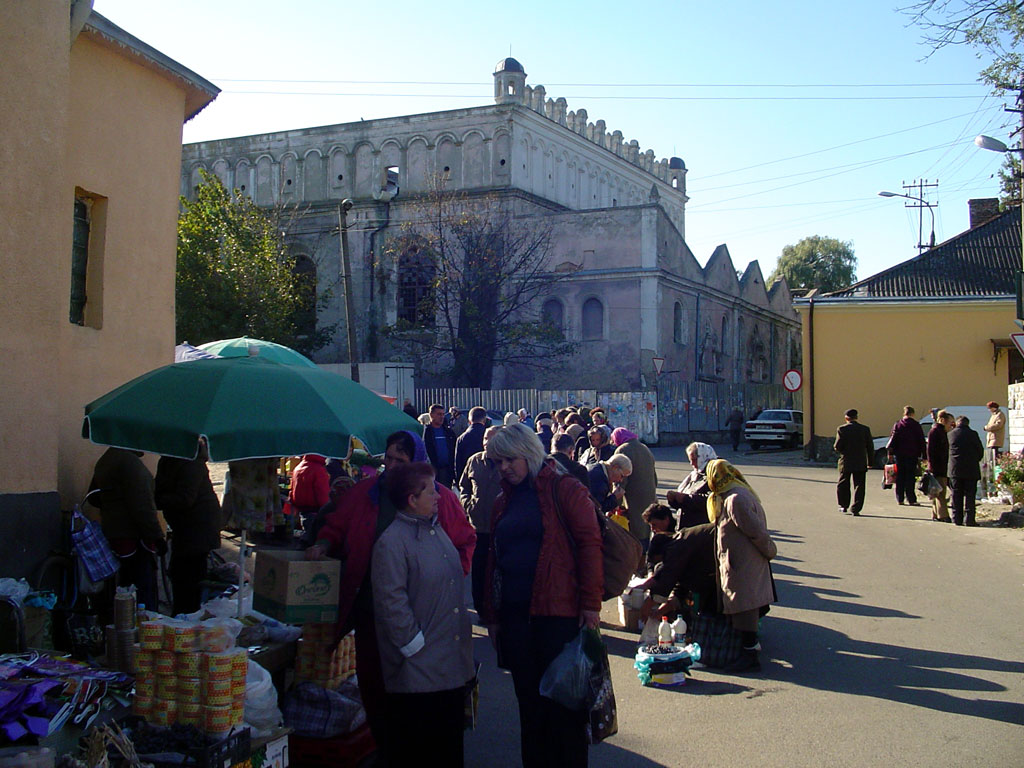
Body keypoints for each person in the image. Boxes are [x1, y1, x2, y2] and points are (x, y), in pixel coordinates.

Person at [307, 430, 475, 754]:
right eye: (390, 458)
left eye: (402, 459)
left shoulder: (438, 498)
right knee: (376, 685)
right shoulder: (368, 492)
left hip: (424, 616)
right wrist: (324, 542)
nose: (393, 465)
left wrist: (446, 581)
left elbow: (465, 542)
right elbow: (338, 525)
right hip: (371, 610)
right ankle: (387, 748)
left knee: (420, 694)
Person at [480, 424, 602, 768]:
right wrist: (491, 614)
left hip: (559, 618)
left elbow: (590, 545)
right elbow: (494, 558)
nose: (503, 468)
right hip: (517, 621)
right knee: (530, 711)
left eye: (509, 460)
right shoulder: (503, 499)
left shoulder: (565, 489)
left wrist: (591, 606)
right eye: (497, 461)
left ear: (529, 453)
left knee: (564, 714)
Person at [372, 462, 473, 768]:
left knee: (449, 745)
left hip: (450, 662)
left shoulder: (435, 529)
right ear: (411, 499)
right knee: (423, 749)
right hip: (419, 669)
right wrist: (413, 645)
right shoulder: (392, 542)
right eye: (431, 490)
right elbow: (390, 600)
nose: (439, 496)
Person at [705, 459, 777, 673]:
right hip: (740, 560)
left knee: (745, 606)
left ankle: (749, 656)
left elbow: (754, 530)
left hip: (744, 562)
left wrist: (770, 549)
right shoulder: (730, 494)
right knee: (743, 605)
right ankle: (747, 650)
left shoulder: (734, 499)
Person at [89, 447, 165, 611]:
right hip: (133, 535)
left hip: (115, 532)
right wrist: (157, 536)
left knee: (124, 586)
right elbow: (142, 507)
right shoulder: (130, 464)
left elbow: (94, 496)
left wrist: (111, 509)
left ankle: (125, 624)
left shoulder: (106, 459)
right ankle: (142, 627)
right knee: (141, 588)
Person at [154, 439, 222, 616]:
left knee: (188, 576)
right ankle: (184, 614)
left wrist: (155, 500)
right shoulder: (171, 461)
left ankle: (186, 617)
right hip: (188, 528)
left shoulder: (191, 463)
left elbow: (185, 498)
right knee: (182, 573)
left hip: (197, 529)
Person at [459, 426, 502, 611]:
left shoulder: (507, 462)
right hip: (477, 526)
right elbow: (464, 486)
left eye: (491, 439)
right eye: (485, 438)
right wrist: (468, 504)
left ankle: (496, 607)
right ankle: (480, 607)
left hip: (500, 528)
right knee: (478, 570)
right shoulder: (475, 461)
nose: (486, 442)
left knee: (496, 570)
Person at [611, 427, 658, 546]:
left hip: (633, 498)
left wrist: (616, 503)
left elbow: (620, 480)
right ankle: (644, 557)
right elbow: (654, 477)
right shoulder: (645, 448)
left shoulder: (623, 450)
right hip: (649, 496)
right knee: (646, 528)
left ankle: (637, 560)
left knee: (633, 533)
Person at [666, 442, 718, 528]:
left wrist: (685, 498)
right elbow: (683, 504)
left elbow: (712, 501)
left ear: (702, 457)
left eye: (694, 460)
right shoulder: (694, 475)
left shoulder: (714, 475)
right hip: (687, 526)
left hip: (701, 529)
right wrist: (673, 500)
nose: (691, 463)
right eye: (690, 460)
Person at [833, 409, 873, 517]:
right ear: (857, 417)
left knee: (843, 484)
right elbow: (870, 447)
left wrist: (843, 451)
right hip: (860, 461)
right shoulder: (865, 429)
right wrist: (870, 461)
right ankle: (856, 508)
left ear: (846, 418)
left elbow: (837, 446)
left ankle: (843, 505)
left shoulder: (842, 429)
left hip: (846, 461)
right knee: (860, 485)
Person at [886, 405, 927, 506]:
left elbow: (893, 439)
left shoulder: (898, 424)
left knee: (900, 476)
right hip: (912, 454)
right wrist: (924, 455)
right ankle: (911, 499)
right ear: (912, 414)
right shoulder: (916, 425)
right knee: (910, 476)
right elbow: (921, 441)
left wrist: (890, 453)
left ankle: (900, 498)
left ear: (904, 413)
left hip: (899, 455)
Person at [949, 415, 984, 527]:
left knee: (956, 494)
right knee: (970, 495)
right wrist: (974, 460)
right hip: (971, 469)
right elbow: (980, 451)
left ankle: (956, 518)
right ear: (967, 423)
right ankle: (969, 519)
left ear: (957, 423)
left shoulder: (950, 434)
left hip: (955, 469)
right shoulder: (973, 434)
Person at [289, 454, 330, 532]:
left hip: (302, 511)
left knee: (306, 536)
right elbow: (323, 494)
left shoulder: (298, 467)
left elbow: (292, 490)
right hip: (316, 512)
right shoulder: (319, 470)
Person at [926, 410, 954, 523]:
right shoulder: (936, 432)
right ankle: (943, 515)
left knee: (936, 492)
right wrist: (932, 466)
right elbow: (931, 452)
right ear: (943, 421)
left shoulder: (939, 431)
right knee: (940, 493)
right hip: (939, 467)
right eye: (949, 423)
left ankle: (935, 514)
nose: (951, 426)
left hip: (939, 466)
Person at [423, 403, 458, 487]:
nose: (442, 417)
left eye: (443, 414)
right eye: (438, 414)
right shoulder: (426, 432)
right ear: (431, 415)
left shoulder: (449, 432)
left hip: (447, 471)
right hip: (432, 471)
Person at [454, 406, 487, 483]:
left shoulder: (461, 438)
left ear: (469, 420)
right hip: (487, 477)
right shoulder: (488, 435)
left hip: (468, 477)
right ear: (484, 420)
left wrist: (459, 481)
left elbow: (458, 463)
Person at [640, 503, 676, 571]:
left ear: (666, 520)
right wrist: (650, 572)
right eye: (650, 526)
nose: (652, 529)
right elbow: (649, 560)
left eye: (654, 524)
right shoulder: (655, 536)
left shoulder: (679, 535)